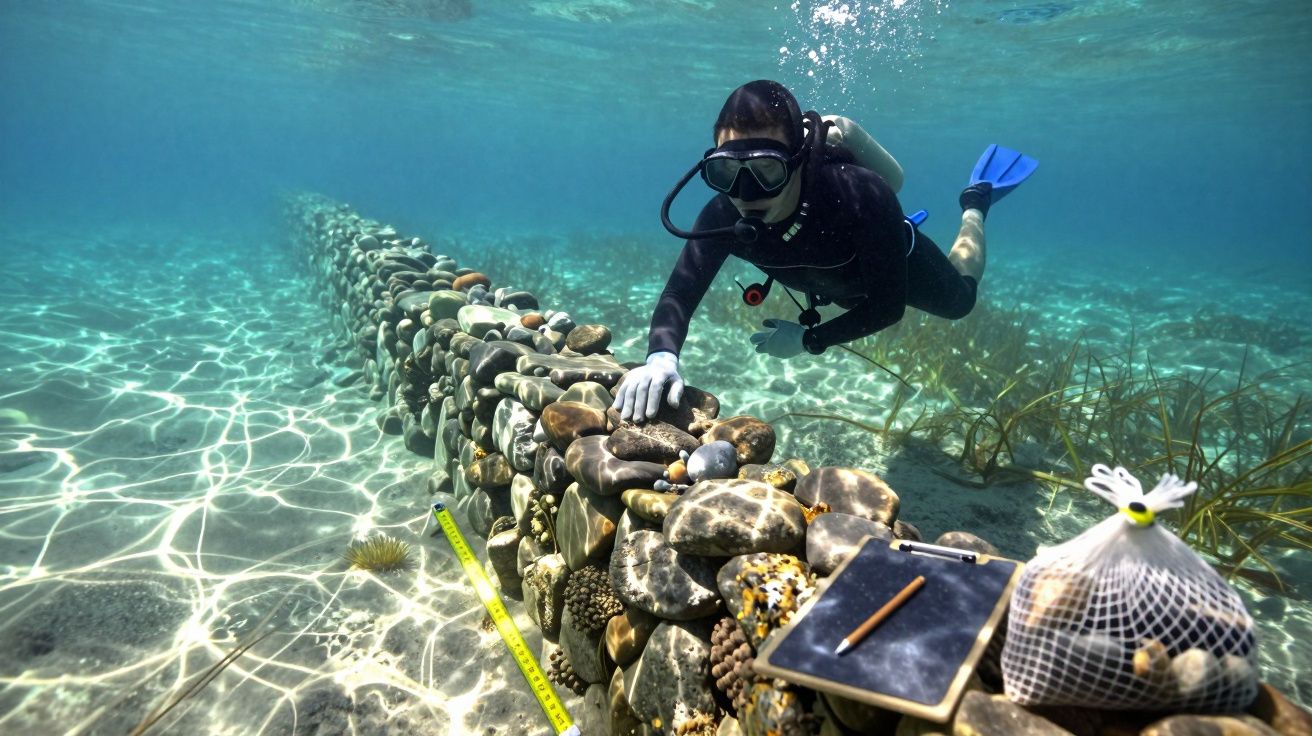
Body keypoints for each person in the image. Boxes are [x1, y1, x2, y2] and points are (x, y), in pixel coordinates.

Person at [613, 80, 1036, 423]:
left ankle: (976, 204)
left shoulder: (860, 195)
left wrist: (810, 340)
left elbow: (887, 307)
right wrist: (661, 357)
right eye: (726, 172)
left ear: (796, 160)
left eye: (766, 170)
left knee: (960, 302)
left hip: (887, 264)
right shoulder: (723, 210)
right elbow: (679, 294)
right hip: (824, 280)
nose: (745, 193)